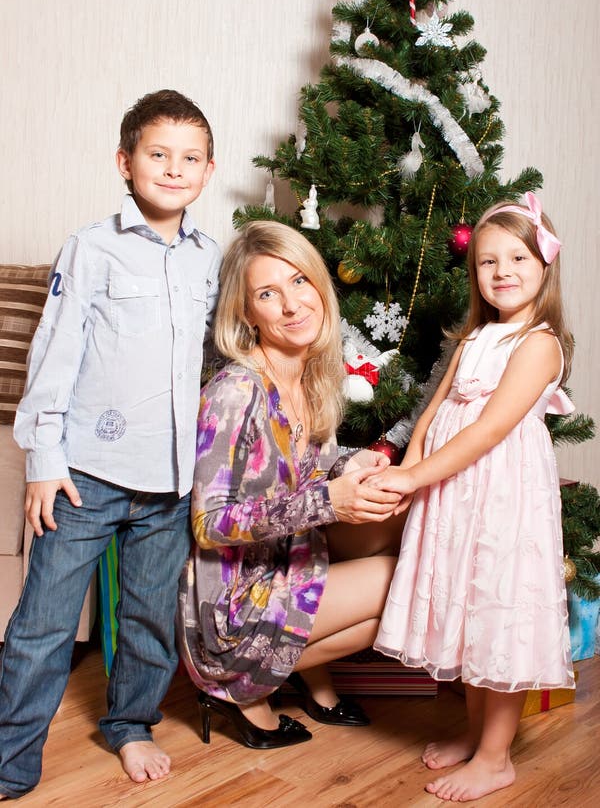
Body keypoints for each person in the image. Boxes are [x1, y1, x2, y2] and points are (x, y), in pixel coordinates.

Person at [0, 89, 221, 800]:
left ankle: (130, 724)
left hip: (172, 481)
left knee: (150, 616)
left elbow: (217, 361)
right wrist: (44, 461)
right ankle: (10, 760)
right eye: (158, 154)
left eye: (189, 157)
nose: (173, 168)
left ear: (209, 171)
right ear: (125, 163)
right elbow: (54, 352)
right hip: (85, 477)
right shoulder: (92, 247)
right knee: (42, 624)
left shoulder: (209, 258)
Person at [372, 192, 575, 802]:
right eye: (488, 262)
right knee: (468, 607)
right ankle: (475, 733)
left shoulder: (538, 343)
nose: (502, 271)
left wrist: (416, 477)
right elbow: (434, 411)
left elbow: (490, 430)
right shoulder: (473, 339)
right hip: (455, 492)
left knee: (500, 606)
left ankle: (495, 758)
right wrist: (405, 472)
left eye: (518, 257)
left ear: (545, 265)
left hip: (502, 493)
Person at [177, 220, 406, 749]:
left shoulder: (309, 377)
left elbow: (296, 467)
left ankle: (294, 676)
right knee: (405, 579)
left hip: (287, 565)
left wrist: (354, 462)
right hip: (234, 606)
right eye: (267, 293)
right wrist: (329, 500)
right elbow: (209, 523)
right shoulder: (235, 391)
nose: (292, 304)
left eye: (300, 281)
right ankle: (235, 685)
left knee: (406, 525)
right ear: (246, 312)